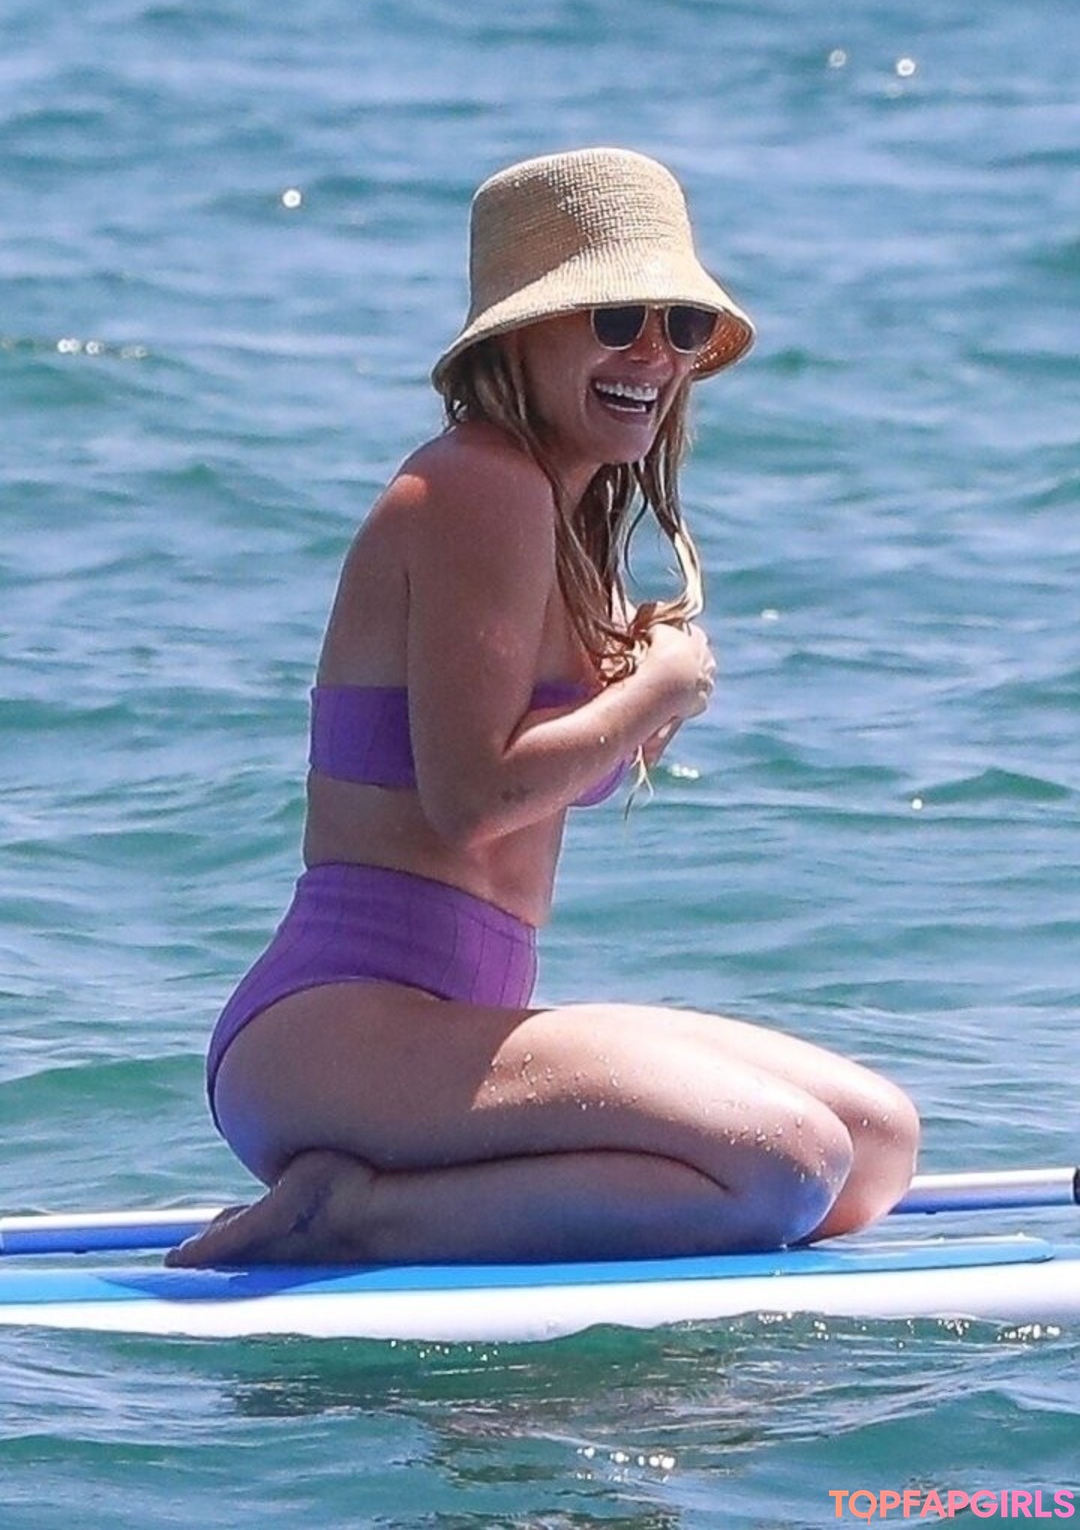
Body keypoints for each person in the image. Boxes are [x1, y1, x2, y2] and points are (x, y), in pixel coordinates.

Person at [169, 147, 919, 1269]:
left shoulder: (563, 524)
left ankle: (405, 1193)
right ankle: (350, 1215)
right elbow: (473, 797)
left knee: (874, 1148)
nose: (655, 354)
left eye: (679, 323)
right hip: (337, 1027)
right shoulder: (480, 483)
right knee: (783, 1162)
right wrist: (658, 689)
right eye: (617, 318)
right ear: (520, 336)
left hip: (449, 1029)